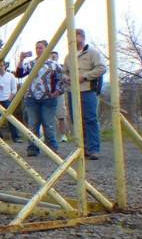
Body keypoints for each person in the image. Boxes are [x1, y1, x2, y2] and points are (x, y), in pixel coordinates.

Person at [62, 29, 106, 160]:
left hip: (87, 91)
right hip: (72, 92)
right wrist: (66, 78)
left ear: (81, 37)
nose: (70, 40)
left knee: (90, 120)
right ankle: (82, 148)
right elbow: (64, 72)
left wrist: (85, 76)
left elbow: (102, 68)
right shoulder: (69, 56)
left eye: (73, 36)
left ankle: (93, 149)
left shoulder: (92, 53)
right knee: (76, 121)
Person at [15, 40, 64, 157]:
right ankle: (32, 148)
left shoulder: (54, 65)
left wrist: (56, 92)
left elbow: (60, 80)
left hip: (48, 98)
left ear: (46, 49)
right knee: (33, 124)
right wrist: (21, 60)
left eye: (41, 48)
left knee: (48, 123)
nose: (38, 50)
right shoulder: (31, 64)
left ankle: (52, 148)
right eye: (36, 48)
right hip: (32, 98)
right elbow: (19, 74)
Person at [50, 51, 69, 142]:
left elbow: (63, 81)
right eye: (51, 57)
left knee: (61, 115)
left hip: (59, 94)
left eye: (54, 57)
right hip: (47, 94)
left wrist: (57, 92)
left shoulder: (61, 68)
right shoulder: (46, 68)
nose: (53, 58)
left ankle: (63, 134)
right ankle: (47, 135)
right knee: (48, 116)